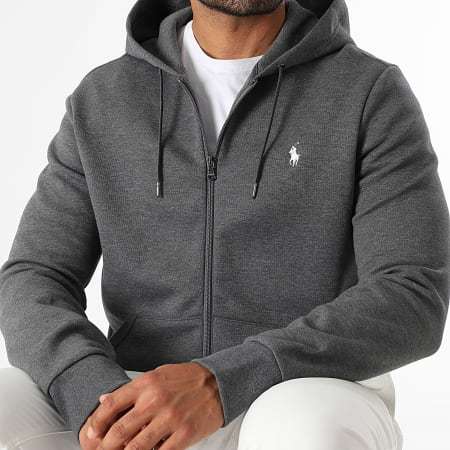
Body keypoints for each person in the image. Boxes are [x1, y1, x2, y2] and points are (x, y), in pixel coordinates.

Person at [0, 0, 448, 449]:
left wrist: (221, 382)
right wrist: (94, 391)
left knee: (309, 431)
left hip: (307, 385)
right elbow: (33, 276)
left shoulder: (367, 92)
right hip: (141, 389)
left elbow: (413, 291)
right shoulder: (104, 99)